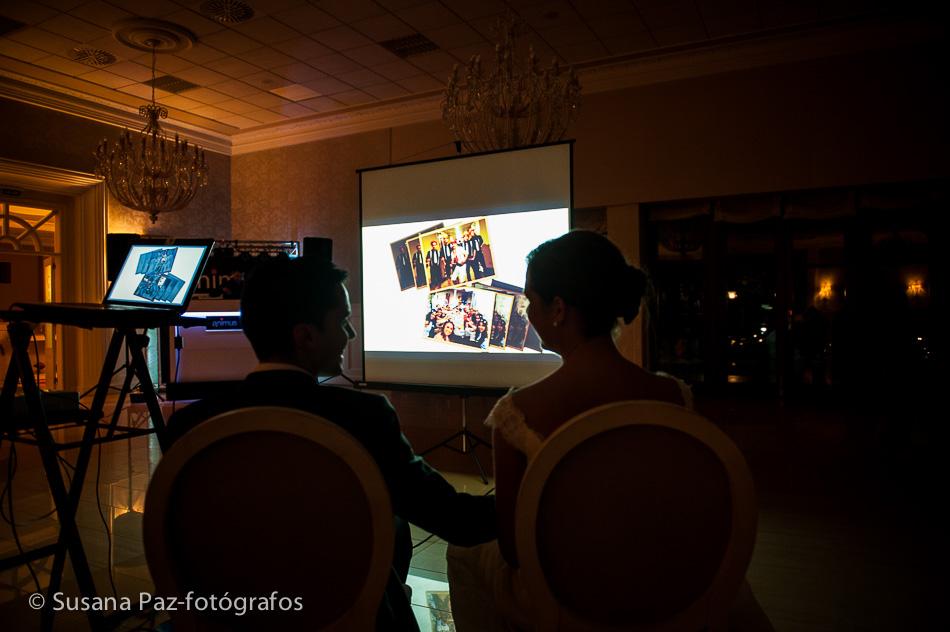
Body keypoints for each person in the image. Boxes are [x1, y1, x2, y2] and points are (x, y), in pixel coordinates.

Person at [446, 230, 772, 632]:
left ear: (559, 309)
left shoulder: (516, 414)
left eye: (531, 302)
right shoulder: (675, 397)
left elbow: (515, 552)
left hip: (570, 600)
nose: (527, 314)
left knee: (462, 553)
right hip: (667, 589)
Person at [165, 257, 496, 631]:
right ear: (305, 336)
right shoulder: (363, 415)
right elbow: (453, 520)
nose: (351, 336)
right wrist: (534, 495)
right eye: (343, 322)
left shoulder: (188, 425)